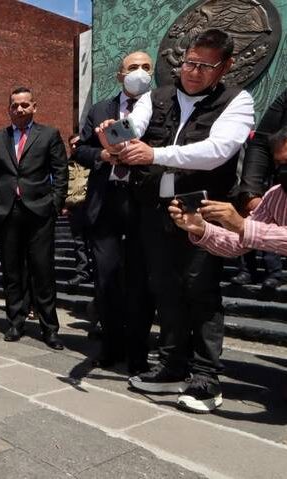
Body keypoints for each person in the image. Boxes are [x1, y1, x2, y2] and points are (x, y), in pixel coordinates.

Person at [97, 29, 255, 413]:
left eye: (205, 66)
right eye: (189, 62)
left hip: (202, 210)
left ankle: (205, 376)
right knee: (164, 288)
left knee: (200, 288)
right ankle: (171, 364)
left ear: (225, 66)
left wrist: (154, 155)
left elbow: (217, 151)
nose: (194, 72)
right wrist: (113, 140)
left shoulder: (237, 101)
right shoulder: (157, 96)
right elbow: (133, 127)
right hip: (155, 208)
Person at [72, 51, 156, 373]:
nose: (140, 72)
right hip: (105, 203)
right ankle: (110, 347)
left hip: (141, 204)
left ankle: (138, 353)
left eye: (146, 67)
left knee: (139, 283)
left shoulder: (160, 109)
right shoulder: (98, 110)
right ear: (120, 74)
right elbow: (80, 149)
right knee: (106, 280)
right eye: (133, 67)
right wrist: (103, 156)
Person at [0, 86, 68, 348]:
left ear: (34, 107)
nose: (20, 109)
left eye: (24, 104)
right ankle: (15, 322)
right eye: (15, 105)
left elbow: (60, 171)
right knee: (12, 272)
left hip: (39, 212)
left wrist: (54, 204)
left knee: (42, 270)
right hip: (7, 212)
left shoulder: (49, 135)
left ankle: (49, 327)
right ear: (8, 109)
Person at [168, 127, 287, 258]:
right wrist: (201, 228)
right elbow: (238, 242)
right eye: (280, 163)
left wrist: (241, 225)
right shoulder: (276, 195)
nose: (283, 169)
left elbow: (245, 229)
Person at [232, 89, 287, 290]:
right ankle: (248, 270)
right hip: (271, 187)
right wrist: (250, 192)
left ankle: (274, 272)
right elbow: (261, 142)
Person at [64, 134, 93, 287]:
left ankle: (98, 271)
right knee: (79, 243)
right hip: (74, 209)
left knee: (95, 241)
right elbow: (62, 186)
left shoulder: (92, 161)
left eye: (77, 144)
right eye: (71, 145)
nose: (74, 147)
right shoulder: (67, 165)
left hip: (91, 207)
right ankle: (83, 272)